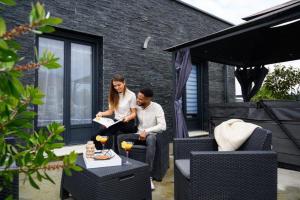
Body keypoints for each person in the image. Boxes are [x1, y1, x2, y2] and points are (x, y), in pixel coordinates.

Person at [117, 88, 166, 190]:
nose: (138, 100)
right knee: (120, 138)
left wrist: (147, 131)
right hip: (138, 133)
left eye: (141, 99)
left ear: (148, 99)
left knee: (151, 140)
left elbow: (163, 126)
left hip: (151, 134)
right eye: (138, 97)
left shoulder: (157, 107)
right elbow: (126, 115)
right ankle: (125, 169)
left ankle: (148, 176)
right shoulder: (137, 107)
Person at [92, 74, 137, 150]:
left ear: (124, 82)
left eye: (119, 85)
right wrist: (101, 113)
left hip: (127, 123)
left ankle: (108, 154)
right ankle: (101, 154)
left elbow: (134, 113)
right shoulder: (113, 95)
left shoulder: (131, 95)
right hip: (116, 122)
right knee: (95, 137)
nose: (116, 88)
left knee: (108, 137)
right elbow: (110, 112)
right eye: (114, 86)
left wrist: (127, 118)